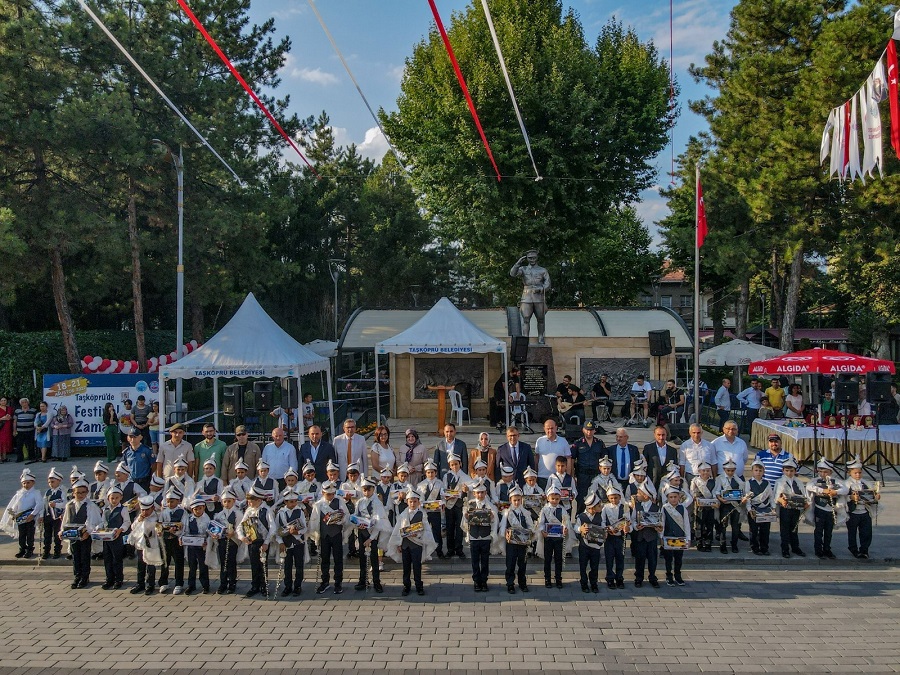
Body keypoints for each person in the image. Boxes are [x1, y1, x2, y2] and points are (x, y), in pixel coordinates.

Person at [387, 488, 437, 596]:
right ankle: (406, 586)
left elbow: (426, 529)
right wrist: (399, 543)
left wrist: (418, 535)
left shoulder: (422, 514)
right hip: (405, 545)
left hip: (416, 544)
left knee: (417, 566)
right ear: (407, 502)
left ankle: (419, 586)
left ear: (418, 502)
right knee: (406, 567)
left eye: (415, 501)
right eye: (410, 501)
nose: (413, 503)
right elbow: (398, 529)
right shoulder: (403, 514)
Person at [309, 480, 352, 595]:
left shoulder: (339, 501)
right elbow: (314, 522)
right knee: (325, 560)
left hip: (336, 534)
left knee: (338, 560)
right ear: (323, 493)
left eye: (332, 493)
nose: (331, 496)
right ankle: (325, 582)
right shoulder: (318, 505)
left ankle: (338, 583)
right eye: (328, 494)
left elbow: (347, 517)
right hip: (324, 536)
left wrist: (339, 520)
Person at [59, 478, 102, 588]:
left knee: (84, 556)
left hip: (84, 536)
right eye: (78, 492)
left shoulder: (90, 506)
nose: (80, 495)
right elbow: (66, 520)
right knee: (75, 556)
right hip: (73, 535)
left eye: (83, 492)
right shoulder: (69, 505)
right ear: (73, 493)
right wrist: (62, 531)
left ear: (87, 492)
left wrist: (88, 532)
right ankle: (77, 576)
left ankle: (85, 577)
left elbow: (95, 521)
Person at [353, 477, 390, 593]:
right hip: (362, 531)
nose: (366, 492)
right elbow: (355, 516)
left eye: (368, 490)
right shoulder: (360, 502)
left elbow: (379, 522)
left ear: (373, 489)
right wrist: (357, 524)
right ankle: (363, 579)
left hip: (373, 534)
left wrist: (371, 538)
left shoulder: (377, 503)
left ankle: (376, 581)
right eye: (364, 490)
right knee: (362, 558)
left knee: (374, 559)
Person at [806, 458, 848, 559]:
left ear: (830, 472)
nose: (823, 474)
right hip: (820, 509)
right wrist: (822, 490)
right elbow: (809, 486)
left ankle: (827, 549)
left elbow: (845, 489)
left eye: (825, 472)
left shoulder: (836, 481)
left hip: (831, 510)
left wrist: (836, 492)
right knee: (819, 531)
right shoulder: (815, 481)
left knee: (829, 531)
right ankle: (818, 550)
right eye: (820, 471)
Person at [238, 486, 275, 597]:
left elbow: (272, 528)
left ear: (259, 500)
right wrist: (242, 537)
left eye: (251, 501)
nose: (249, 503)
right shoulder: (249, 511)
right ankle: (255, 586)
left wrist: (266, 542)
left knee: (263, 565)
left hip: (262, 542)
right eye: (248, 501)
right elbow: (240, 526)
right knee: (254, 564)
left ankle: (264, 586)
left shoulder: (266, 510)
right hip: (252, 542)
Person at [463, 480, 498, 592]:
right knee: (474, 561)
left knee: (485, 560)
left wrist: (492, 517)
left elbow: (495, 521)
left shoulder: (490, 505)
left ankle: (484, 581)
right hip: (474, 536)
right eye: (478, 493)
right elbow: (464, 522)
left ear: (486, 493)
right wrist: (466, 516)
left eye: (482, 492)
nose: (480, 495)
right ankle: (476, 581)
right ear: (474, 493)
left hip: (485, 536)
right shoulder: (469, 504)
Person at [510, 249, 551, 343]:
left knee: (541, 319)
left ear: (537, 258)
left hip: (539, 298)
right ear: (527, 258)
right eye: (530, 258)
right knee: (526, 319)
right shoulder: (523, 269)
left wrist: (540, 289)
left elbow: (548, 284)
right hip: (526, 297)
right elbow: (512, 274)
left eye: (534, 257)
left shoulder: (542, 270)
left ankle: (541, 338)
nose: (532, 259)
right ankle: (525, 339)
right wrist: (517, 263)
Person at [844, 455, 880, 559]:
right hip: (853, 512)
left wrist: (876, 497)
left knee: (866, 532)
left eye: (859, 472)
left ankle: (864, 550)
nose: (858, 475)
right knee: (852, 532)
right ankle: (853, 549)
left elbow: (872, 495)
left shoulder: (866, 483)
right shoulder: (847, 484)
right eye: (855, 473)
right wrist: (850, 497)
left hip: (864, 511)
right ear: (849, 473)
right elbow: (842, 496)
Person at [499, 486, 533, 594]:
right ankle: (510, 584)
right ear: (510, 500)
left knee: (522, 564)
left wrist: (530, 534)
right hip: (512, 544)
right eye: (515, 500)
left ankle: (522, 583)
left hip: (523, 543)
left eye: (519, 500)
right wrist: (506, 534)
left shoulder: (525, 513)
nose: (517, 502)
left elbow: (531, 527)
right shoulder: (507, 513)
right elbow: (502, 529)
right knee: (510, 564)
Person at [630, 478, 662, 588]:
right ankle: (639, 577)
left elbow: (659, 521)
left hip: (651, 537)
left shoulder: (656, 508)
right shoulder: (637, 506)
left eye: (639, 493)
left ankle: (652, 576)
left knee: (652, 558)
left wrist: (659, 528)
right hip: (640, 536)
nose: (637, 495)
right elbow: (633, 519)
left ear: (646, 496)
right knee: (640, 558)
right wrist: (636, 526)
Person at [274, 489, 308, 596]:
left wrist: (297, 531)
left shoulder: (300, 512)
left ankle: (297, 586)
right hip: (286, 543)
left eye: (294, 501)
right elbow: (277, 530)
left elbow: (305, 528)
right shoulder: (280, 514)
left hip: (298, 542)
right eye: (290, 502)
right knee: (287, 566)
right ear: (285, 502)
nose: (293, 503)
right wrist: (280, 542)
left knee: (299, 565)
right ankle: (287, 586)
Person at [2, 469, 42, 558]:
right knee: (21, 534)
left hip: (30, 518)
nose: (26, 485)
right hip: (21, 518)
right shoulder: (19, 493)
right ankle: (22, 549)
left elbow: (39, 504)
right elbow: (15, 504)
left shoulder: (36, 493)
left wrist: (33, 514)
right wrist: (13, 513)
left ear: (33, 483)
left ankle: (29, 549)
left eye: (28, 483)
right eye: (24, 483)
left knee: (30, 534)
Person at [774, 457, 808, 559]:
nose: (789, 473)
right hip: (786, 509)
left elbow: (803, 494)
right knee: (784, 529)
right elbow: (776, 495)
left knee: (794, 528)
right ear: (783, 470)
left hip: (796, 509)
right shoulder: (780, 482)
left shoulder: (798, 482)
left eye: (791, 471)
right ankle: (785, 549)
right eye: (787, 470)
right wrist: (780, 500)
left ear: (795, 471)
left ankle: (795, 547)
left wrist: (806, 502)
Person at [211, 487, 242, 595]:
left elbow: (240, 528)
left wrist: (234, 533)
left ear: (234, 501)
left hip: (233, 542)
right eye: (225, 501)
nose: (227, 503)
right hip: (222, 541)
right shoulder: (219, 515)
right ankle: (223, 583)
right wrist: (214, 534)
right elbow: (214, 528)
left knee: (231, 563)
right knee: (223, 562)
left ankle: (232, 583)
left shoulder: (238, 513)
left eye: (229, 501)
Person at [129, 494, 163, 595]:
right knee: (140, 565)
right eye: (143, 510)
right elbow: (133, 527)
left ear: (152, 507)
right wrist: (139, 520)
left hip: (152, 544)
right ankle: (140, 584)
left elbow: (158, 529)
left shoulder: (157, 516)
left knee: (151, 566)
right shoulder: (140, 516)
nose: (145, 512)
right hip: (141, 544)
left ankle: (150, 585)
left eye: (147, 510)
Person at [537, 485, 568, 589]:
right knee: (548, 559)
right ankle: (547, 578)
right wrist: (542, 531)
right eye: (552, 498)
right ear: (548, 498)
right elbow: (541, 522)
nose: (555, 501)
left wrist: (565, 528)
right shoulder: (545, 510)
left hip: (558, 538)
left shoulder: (562, 509)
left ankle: (558, 578)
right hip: (548, 538)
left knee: (558, 559)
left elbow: (565, 521)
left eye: (557, 499)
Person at [158, 488, 188, 594]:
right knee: (165, 561)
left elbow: (184, 526)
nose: (170, 503)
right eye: (168, 501)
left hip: (176, 539)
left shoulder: (182, 512)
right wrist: (160, 531)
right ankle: (163, 582)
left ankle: (179, 583)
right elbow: (160, 524)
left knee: (178, 562)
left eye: (172, 501)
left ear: (178, 501)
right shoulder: (164, 512)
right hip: (166, 540)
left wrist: (177, 532)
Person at [100, 485, 130, 590]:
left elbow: (127, 522)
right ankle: (109, 579)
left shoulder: (123, 509)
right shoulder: (105, 510)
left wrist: (120, 529)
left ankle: (118, 579)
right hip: (107, 538)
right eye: (112, 498)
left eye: (117, 498)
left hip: (117, 537)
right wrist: (98, 529)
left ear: (121, 497)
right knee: (107, 559)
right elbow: (103, 522)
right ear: (108, 498)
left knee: (117, 559)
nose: (114, 500)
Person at [570, 420, 605, 510]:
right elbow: (572, 460)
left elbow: (604, 460)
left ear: (594, 431)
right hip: (582, 476)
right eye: (587, 430)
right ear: (583, 430)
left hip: (596, 476)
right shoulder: (577, 443)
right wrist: (573, 476)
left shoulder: (599, 443)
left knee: (597, 499)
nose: (589, 432)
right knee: (581, 500)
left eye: (591, 430)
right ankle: (580, 520)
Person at [601, 484, 630, 589]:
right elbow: (603, 522)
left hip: (621, 537)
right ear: (608, 498)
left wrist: (626, 527)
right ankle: (610, 578)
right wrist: (608, 529)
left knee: (620, 558)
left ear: (620, 497)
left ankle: (619, 578)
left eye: (616, 497)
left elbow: (627, 520)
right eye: (611, 498)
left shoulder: (625, 507)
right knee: (609, 558)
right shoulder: (605, 508)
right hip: (609, 537)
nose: (613, 500)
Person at [574, 492, 604, 593]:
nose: (601, 507)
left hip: (596, 546)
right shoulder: (581, 517)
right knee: (583, 565)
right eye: (599, 506)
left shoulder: (600, 516)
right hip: (584, 546)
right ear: (591, 507)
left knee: (594, 566)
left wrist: (605, 532)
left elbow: (603, 527)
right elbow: (575, 528)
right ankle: (584, 583)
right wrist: (580, 528)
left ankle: (594, 583)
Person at [660, 486, 690, 586]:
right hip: (668, 537)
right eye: (671, 497)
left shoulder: (682, 508)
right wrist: (661, 537)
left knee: (678, 558)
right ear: (668, 498)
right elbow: (662, 523)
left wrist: (688, 538)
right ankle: (669, 576)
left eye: (675, 497)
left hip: (680, 537)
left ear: (679, 498)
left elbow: (686, 524)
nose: (673, 499)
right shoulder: (664, 508)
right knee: (668, 558)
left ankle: (678, 576)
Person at [714, 459, 745, 554]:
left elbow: (742, 492)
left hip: (735, 506)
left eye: (732, 470)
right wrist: (720, 499)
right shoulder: (720, 479)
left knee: (735, 526)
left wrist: (743, 498)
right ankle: (722, 545)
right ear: (724, 469)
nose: (730, 472)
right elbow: (717, 491)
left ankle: (734, 544)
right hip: (725, 505)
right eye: (728, 470)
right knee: (723, 525)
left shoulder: (738, 480)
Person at [181, 497, 211, 595]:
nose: (198, 511)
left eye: (200, 508)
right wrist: (182, 539)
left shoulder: (207, 519)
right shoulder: (188, 519)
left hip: (202, 547)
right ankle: (191, 585)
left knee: (203, 566)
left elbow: (210, 532)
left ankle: (205, 585)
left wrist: (207, 541)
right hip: (192, 547)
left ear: (204, 508)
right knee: (192, 566)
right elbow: (184, 531)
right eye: (195, 509)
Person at [745, 458, 774, 556]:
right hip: (754, 509)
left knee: (765, 530)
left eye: (760, 470)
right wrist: (749, 510)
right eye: (756, 470)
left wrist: (773, 508)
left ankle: (764, 548)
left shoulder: (767, 483)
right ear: (752, 471)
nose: (758, 472)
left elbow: (771, 496)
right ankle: (755, 547)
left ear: (763, 471)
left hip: (766, 509)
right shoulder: (748, 483)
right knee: (753, 530)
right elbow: (747, 498)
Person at [417, 459, 445, 559]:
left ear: (436, 472)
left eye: (432, 472)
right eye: (428, 472)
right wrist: (421, 505)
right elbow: (419, 499)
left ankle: (439, 550)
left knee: (437, 531)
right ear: (426, 473)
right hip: (425, 512)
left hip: (436, 512)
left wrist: (442, 503)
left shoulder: (440, 483)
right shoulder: (420, 485)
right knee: (424, 531)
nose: (430, 474)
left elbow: (443, 497)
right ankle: (426, 551)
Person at [534, 419, 571, 489]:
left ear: (556, 428)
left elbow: (568, 459)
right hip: (542, 478)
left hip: (559, 478)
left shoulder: (563, 441)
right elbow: (536, 458)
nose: (550, 431)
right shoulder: (539, 441)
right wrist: (535, 474)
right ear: (544, 429)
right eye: (548, 428)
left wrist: (568, 476)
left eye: (552, 428)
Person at [690, 462, 718, 552]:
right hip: (699, 507)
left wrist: (714, 499)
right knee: (699, 525)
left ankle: (708, 542)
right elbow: (692, 492)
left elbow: (715, 492)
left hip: (710, 506)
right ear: (699, 471)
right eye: (703, 471)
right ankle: (699, 541)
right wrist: (696, 497)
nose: (705, 472)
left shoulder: (713, 481)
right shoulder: (695, 480)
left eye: (708, 471)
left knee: (709, 524)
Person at [443, 453, 467, 560]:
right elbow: (443, 490)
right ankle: (450, 549)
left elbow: (470, 487)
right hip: (449, 505)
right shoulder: (446, 476)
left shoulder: (465, 476)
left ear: (460, 464)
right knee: (450, 528)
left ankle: (459, 549)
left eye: (456, 464)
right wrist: (446, 495)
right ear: (449, 465)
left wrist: (466, 490)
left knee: (459, 528)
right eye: (452, 465)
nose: (454, 467)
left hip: (459, 505)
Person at [42, 466, 65, 559]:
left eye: (53, 482)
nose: (51, 484)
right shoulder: (47, 492)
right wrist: (41, 515)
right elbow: (43, 504)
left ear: (59, 481)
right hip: (48, 516)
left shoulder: (62, 491)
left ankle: (57, 550)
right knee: (47, 535)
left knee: (57, 535)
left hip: (57, 517)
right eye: (49, 482)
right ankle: (46, 550)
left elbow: (65, 503)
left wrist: (56, 505)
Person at [123, 428, 154, 492]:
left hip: (144, 481)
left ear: (140, 437)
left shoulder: (147, 450)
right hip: (132, 481)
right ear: (127, 438)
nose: (132, 439)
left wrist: (152, 479)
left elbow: (153, 465)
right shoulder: (126, 452)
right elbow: (126, 467)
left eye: (135, 437)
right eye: (130, 437)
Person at [13, 398, 37, 463]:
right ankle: (19, 458)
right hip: (20, 431)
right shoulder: (17, 411)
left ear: (28, 403)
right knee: (19, 445)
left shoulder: (33, 410)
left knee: (31, 445)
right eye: (22, 403)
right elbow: (15, 421)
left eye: (25, 402)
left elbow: (36, 421)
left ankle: (32, 457)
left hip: (30, 430)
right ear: (20, 404)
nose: (24, 404)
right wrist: (14, 431)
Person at [0, 397, 14, 462]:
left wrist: (10, 417)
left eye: (5, 400)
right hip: (1, 428)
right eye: (2, 400)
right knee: (1, 442)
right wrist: (2, 418)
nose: (3, 402)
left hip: (8, 427)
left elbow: (13, 417)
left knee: (6, 442)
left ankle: (5, 457)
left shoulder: (10, 409)